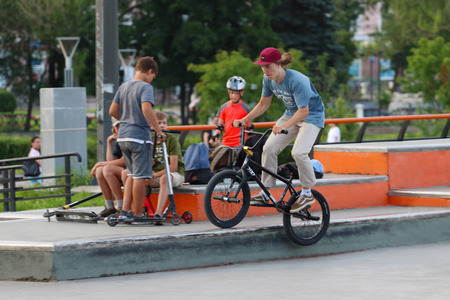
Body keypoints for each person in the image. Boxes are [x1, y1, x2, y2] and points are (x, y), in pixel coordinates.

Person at [234, 47, 325, 213]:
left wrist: (283, 126)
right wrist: (245, 119)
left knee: (298, 152)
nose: (265, 70)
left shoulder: (298, 80)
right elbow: (263, 104)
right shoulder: (267, 79)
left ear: (278, 64)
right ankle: (266, 191)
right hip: (291, 114)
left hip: (312, 117)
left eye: (268, 66)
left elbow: (304, 111)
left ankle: (307, 192)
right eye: (262, 66)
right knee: (268, 148)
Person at [109, 56, 166, 219]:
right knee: (141, 177)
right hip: (139, 137)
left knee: (132, 175)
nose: (151, 80)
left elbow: (112, 111)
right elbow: (147, 109)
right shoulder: (146, 87)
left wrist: (125, 120)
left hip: (123, 137)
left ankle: (125, 211)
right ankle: (138, 213)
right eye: (152, 77)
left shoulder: (124, 86)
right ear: (150, 71)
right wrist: (158, 130)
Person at [148, 111, 185, 225]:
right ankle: (133, 212)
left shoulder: (171, 139)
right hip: (156, 174)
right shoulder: (149, 139)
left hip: (175, 174)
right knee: (135, 177)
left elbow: (173, 167)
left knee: (165, 178)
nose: (163, 126)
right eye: (159, 123)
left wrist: (154, 175)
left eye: (164, 123)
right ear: (152, 125)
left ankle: (158, 214)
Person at [90, 117, 126, 217]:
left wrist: (99, 163)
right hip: (123, 171)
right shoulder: (119, 141)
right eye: (117, 127)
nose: (120, 129)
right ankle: (110, 207)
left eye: (122, 126)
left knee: (105, 168)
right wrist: (109, 142)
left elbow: (123, 161)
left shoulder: (128, 139)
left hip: (131, 170)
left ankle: (121, 206)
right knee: (100, 171)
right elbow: (111, 162)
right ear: (114, 128)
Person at [211, 76, 251, 149]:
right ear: (228, 92)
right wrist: (214, 136)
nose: (233, 96)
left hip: (240, 143)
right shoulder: (224, 107)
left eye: (236, 93)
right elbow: (220, 126)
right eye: (231, 93)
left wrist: (251, 143)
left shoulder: (245, 108)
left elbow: (250, 127)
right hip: (225, 143)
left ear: (241, 93)